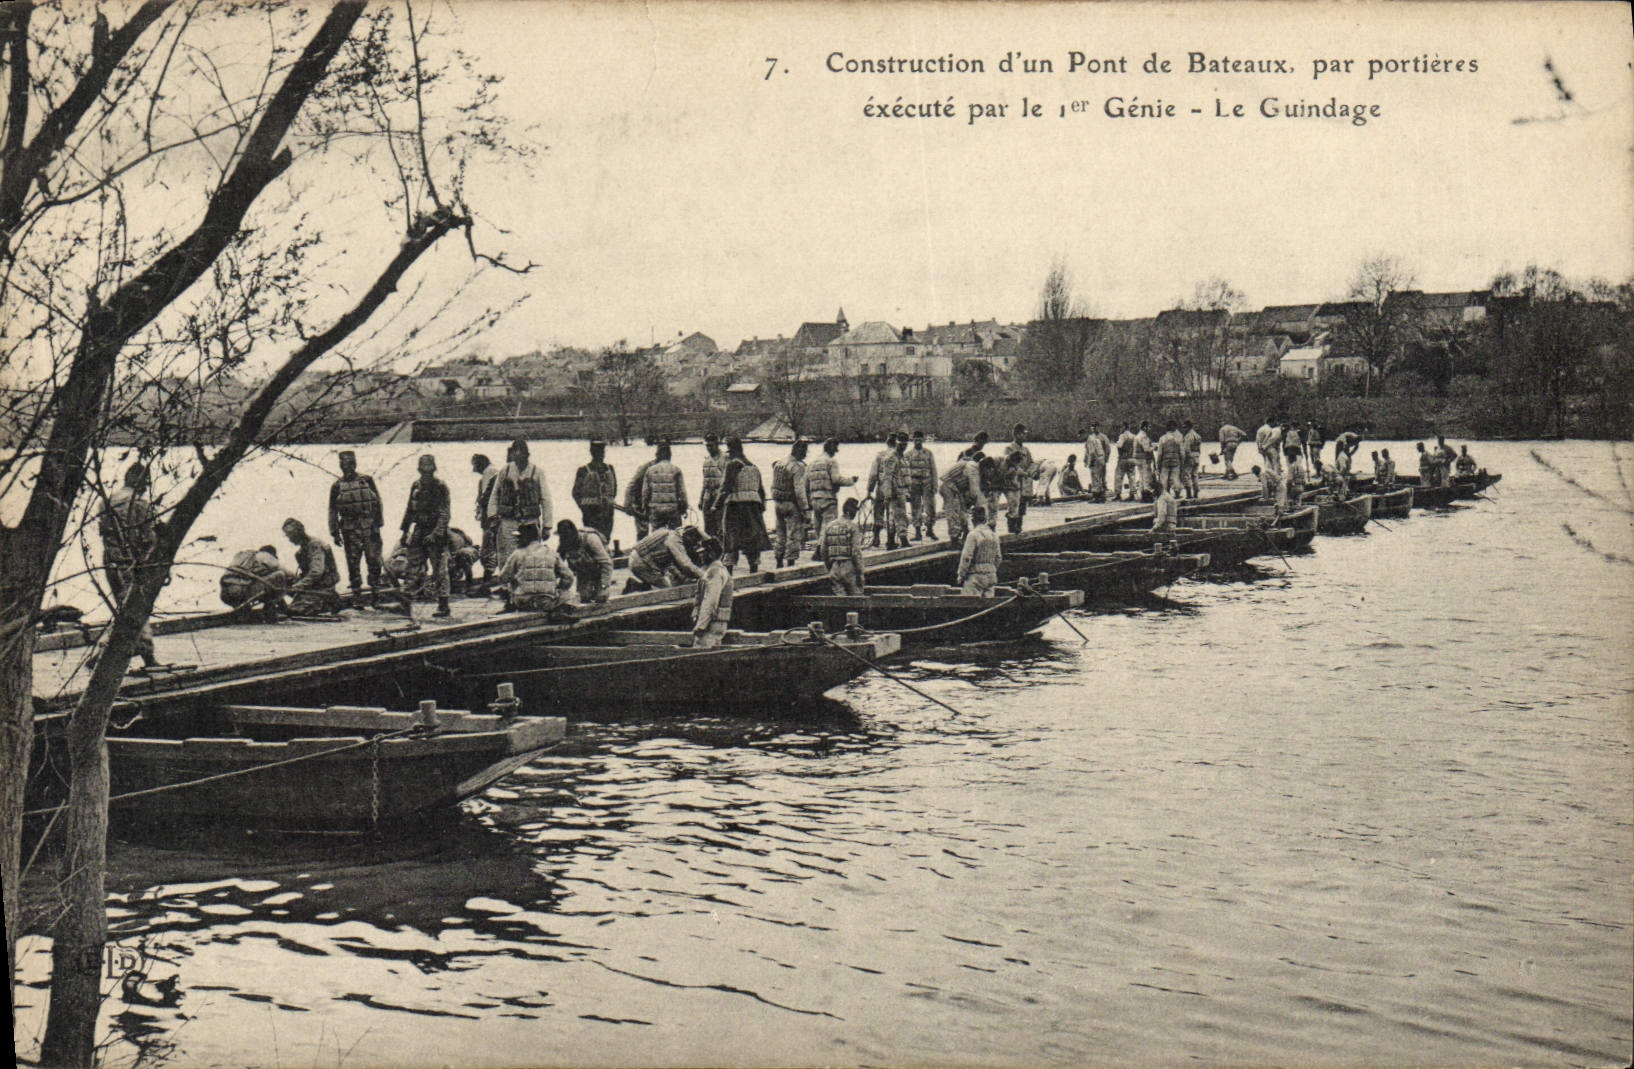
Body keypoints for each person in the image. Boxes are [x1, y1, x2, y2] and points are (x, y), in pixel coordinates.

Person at [99, 462, 162, 667]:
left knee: (124, 608)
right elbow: (149, 538)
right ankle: (149, 658)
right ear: (139, 481)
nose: (146, 487)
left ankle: (100, 654)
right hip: (129, 562)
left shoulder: (108, 501)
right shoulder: (140, 504)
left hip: (110, 560)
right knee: (137, 608)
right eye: (145, 482)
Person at [327, 450, 384, 608]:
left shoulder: (367, 480)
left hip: (369, 527)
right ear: (340, 465)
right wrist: (334, 532)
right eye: (344, 464)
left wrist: (378, 525)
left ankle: (376, 595)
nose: (348, 467)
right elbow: (332, 510)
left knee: (374, 560)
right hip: (349, 529)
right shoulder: (337, 486)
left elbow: (377, 503)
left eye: (351, 463)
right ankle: (357, 596)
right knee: (353, 563)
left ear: (355, 463)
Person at [402, 453, 453, 617]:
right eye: (422, 467)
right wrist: (404, 531)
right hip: (419, 530)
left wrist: (436, 533)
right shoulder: (415, 486)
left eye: (429, 467)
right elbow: (409, 510)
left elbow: (445, 513)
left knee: (439, 569)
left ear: (434, 468)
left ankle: (443, 604)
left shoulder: (440, 486)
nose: (426, 471)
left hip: (435, 532)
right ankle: (405, 602)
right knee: (412, 566)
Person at [488, 440, 552, 565]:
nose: (519, 458)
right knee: (508, 556)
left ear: (527, 455)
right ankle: (508, 583)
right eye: (516, 455)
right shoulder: (504, 471)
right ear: (512, 455)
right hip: (508, 521)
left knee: (531, 555)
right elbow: (495, 495)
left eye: (522, 455)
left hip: (530, 521)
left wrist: (547, 526)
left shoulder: (537, 472)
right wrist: (492, 518)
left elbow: (546, 499)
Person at [496, 523, 575, 612]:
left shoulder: (517, 554)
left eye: (519, 537)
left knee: (508, 587)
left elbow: (503, 578)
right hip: (546, 601)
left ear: (525, 538)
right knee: (568, 595)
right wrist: (559, 588)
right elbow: (569, 577)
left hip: (522, 601)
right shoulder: (552, 553)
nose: (517, 540)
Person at [720, 436, 769, 572]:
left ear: (732, 451)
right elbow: (761, 491)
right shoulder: (754, 467)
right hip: (753, 506)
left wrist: (715, 505)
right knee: (752, 537)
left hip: (735, 506)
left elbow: (726, 487)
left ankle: (728, 570)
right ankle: (754, 568)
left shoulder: (732, 465)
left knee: (731, 537)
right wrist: (761, 508)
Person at [282, 517, 343, 616]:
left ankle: (331, 599)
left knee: (296, 611)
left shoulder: (315, 545)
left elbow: (316, 572)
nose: (289, 539)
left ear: (298, 533)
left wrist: (297, 586)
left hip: (323, 585)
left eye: (290, 535)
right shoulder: (300, 552)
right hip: (312, 585)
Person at [626, 518, 705, 589]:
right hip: (641, 563)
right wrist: (703, 575)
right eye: (694, 542)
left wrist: (684, 579)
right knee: (667, 590)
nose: (693, 546)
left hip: (638, 559)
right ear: (689, 537)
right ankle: (634, 586)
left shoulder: (672, 533)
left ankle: (639, 585)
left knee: (662, 583)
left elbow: (671, 565)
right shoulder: (674, 540)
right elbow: (685, 563)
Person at [220, 545, 292, 619]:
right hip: (242, 592)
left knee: (258, 581)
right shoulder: (265, 556)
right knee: (280, 575)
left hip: (225, 595)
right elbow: (288, 574)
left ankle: (243, 609)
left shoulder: (244, 556)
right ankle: (269, 610)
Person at [806, 436, 855, 542]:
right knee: (829, 527)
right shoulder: (831, 462)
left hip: (814, 499)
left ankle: (819, 547)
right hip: (828, 499)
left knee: (818, 526)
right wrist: (851, 480)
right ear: (832, 448)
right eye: (835, 449)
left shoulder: (812, 463)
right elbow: (836, 480)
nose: (836, 452)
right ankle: (822, 550)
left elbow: (806, 482)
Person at [770, 439, 811, 567]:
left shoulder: (779, 464)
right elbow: (799, 490)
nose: (805, 454)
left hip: (778, 503)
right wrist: (805, 509)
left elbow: (773, 485)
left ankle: (778, 560)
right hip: (792, 505)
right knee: (794, 535)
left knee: (780, 534)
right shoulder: (796, 467)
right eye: (804, 451)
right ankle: (790, 563)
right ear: (799, 451)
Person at [866, 432, 910, 549]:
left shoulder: (880, 455)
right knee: (895, 514)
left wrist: (869, 490)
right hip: (893, 488)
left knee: (878, 513)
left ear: (887, 442)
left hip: (881, 487)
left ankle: (876, 538)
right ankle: (893, 540)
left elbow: (873, 474)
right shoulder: (899, 457)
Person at [556, 519, 614, 604]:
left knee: (601, 598)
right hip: (583, 572)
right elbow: (557, 566)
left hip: (599, 571)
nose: (568, 540)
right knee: (583, 597)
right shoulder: (563, 543)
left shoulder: (590, 539)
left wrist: (604, 585)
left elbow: (607, 564)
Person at [691, 536, 734, 648]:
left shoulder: (714, 572)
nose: (700, 555)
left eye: (703, 552)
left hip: (712, 623)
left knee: (702, 652)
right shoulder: (716, 570)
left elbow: (710, 601)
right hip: (715, 621)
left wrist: (701, 625)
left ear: (711, 554)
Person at [819, 498, 869, 595]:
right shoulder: (852, 527)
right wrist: (861, 572)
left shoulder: (829, 526)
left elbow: (823, 550)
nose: (855, 514)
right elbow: (856, 552)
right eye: (854, 511)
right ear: (849, 512)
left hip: (834, 568)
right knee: (857, 598)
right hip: (849, 567)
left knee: (840, 600)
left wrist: (830, 567)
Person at [571, 440, 618, 542]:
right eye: (597, 452)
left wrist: (608, 502)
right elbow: (575, 493)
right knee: (592, 538)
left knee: (606, 538)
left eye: (602, 451)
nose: (601, 454)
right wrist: (584, 507)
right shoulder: (583, 470)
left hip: (607, 511)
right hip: (591, 512)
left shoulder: (610, 469)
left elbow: (614, 490)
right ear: (592, 453)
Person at [939, 448, 983, 547]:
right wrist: (975, 501)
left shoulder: (967, 463)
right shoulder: (971, 466)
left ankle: (965, 531)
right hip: (948, 486)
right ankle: (954, 539)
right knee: (953, 511)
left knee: (962, 510)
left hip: (956, 487)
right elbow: (973, 488)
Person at [640, 441, 687, 532]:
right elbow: (682, 492)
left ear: (658, 455)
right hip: (672, 509)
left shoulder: (650, 470)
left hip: (656, 510)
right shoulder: (676, 470)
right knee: (675, 535)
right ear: (670, 455)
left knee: (657, 537)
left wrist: (645, 508)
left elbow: (645, 493)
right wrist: (684, 507)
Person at [956, 505, 1002, 597]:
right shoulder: (994, 535)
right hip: (991, 576)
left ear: (973, 521)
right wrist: (991, 569)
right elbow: (998, 558)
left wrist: (961, 574)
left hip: (976, 576)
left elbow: (966, 557)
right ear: (985, 520)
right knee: (989, 604)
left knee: (969, 604)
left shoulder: (973, 535)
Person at [471, 454, 500, 590]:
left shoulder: (490, 473)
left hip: (490, 520)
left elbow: (487, 499)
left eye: (474, 465)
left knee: (488, 549)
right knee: (491, 548)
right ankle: (488, 578)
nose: (473, 469)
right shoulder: (490, 473)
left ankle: (487, 581)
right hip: (490, 519)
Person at [1002, 424, 1035, 533]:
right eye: (1022, 434)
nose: (1024, 436)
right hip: (1013, 480)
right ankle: (1011, 528)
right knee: (1013, 504)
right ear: (1016, 434)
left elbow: (1031, 463)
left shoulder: (1026, 449)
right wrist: (1018, 471)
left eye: (1025, 434)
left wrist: (1029, 472)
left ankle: (1019, 527)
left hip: (1024, 481)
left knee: (1022, 505)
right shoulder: (1009, 448)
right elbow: (1007, 463)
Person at [905, 430, 938, 540]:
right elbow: (905, 472)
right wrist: (906, 488)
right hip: (914, 483)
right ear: (913, 440)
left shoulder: (928, 453)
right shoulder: (908, 455)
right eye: (916, 439)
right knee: (915, 507)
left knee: (930, 506)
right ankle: (918, 531)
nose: (918, 442)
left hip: (926, 482)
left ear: (923, 440)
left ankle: (930, 529)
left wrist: (935, 485)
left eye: (920, 439)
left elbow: (933, 470)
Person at [698, 433, 726, 540]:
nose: (709, 448)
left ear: (717, 444)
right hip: (707, 496)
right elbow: (704, 482)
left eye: (711, 445)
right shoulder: (706, 460)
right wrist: (701, 499)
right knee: (708, 527)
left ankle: (723, 549)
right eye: (707, 446)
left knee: (720, 525)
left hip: (719, 495)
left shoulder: (724, 459)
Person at [624, 449, 654, 540]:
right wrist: (627, 503)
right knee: (642, 532)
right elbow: (632, 485)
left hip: (654, 504)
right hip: (640, 504)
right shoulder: (645, 467)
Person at [1155, 420, 1185, 496]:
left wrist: (1158, 463)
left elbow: (1159, 453)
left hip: (1165, 461)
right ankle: (1177, 492)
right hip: (1176, 461)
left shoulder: (1162, 438)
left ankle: (1165, 493)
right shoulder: (1178, 439)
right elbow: (1182, 452)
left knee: (1164, 478)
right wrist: (1182, 461)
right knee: (1176, 477)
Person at [1083, 422, 1112, 500]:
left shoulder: (1103, 437)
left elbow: (1107, 448)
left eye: (1095, 427)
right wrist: (1085, 460)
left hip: (1100, 459)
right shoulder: (1091, 437)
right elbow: (1087, 451)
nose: (1094, 428)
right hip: (1096, 459)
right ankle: (1100, 494)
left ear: (1098, 427)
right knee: (1097, 478)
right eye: (1092, 427)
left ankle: (1099, 495)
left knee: (1101, 477)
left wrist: (1105, 459)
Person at [1114, 422, 1138, 501]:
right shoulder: (1134, 436)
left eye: (1121, 427)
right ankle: (1132, 493)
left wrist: (1120, 454)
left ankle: (1118, 494)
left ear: (1124, 427)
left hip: (1123, 458)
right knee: (1132, 476)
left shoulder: (1122, 436)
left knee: (1119, 476)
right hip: (1132, 458)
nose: (1121, 428)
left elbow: (1119, 446)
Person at [1181, 420, 1204, 499]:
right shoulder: (1197, 435)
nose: (1184, 429)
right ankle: (1196, 492)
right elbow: (1199, 448)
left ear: (1188, 427)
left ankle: (1189, 493)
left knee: (1186, 475)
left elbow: (1186, 448)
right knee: (1195, 475)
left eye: (1184, 427)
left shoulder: (1188, 436)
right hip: (1196, 456)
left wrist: (1183, 458)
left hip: (1189, 457)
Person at [1133, 420, 1156, 501]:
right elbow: (1146, 449)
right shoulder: (1144, 436)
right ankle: (1147, 495)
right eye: (1149, 427)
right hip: (1144, 459)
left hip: (1138, 459)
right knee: (1146, 477)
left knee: (1141, 477)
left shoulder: (1138, 436)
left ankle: (1142, 494)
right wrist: (1154, 447)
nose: (1150, 428)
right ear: (1145, 427)